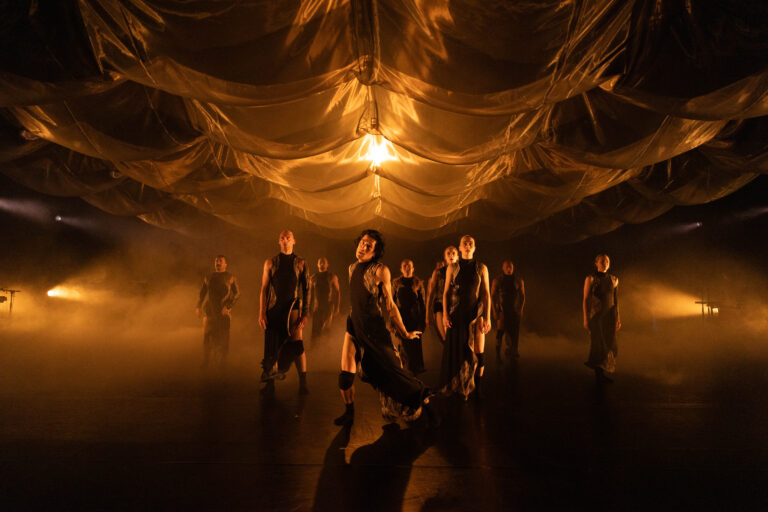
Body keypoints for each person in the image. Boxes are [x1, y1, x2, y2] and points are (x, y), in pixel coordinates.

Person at [334, 229, 433, 427]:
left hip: (374, 331)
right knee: (345, 378)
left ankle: (426, 402)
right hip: (354, 326)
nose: (363, 247)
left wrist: (405, 333)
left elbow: (391, 305)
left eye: (369, 246)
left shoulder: (380, 271)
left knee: (394, 374)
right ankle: (349, 414)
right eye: (362, 242)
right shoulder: (352, 268)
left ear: (375, 252)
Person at [259, 230, 311, 395]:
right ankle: (270, 385)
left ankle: (303, 383)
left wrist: (305, 313)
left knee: (297, 345)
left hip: (293, 308)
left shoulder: (301, 263)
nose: (285, 240)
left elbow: (307, 290)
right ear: (279, 241)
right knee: (271, 346)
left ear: (294, 241)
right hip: (274, 309)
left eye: (288, 238)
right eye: (282, 238)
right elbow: (264, 289)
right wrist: (262, 312)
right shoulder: (270, 262)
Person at [441, 236, 491, 399]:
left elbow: (486, 294)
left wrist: (488, 317)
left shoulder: (481, 268)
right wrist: (445, 314)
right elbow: (446, 293)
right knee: (460, 352)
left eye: (471, 244)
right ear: (460, 248)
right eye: (465, 243)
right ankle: (461, 386)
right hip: (457, 315)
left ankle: (478, 386)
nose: (468, 246)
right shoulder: (452, 267)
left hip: (476, 314)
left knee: (478, 351)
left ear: (474, 248)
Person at [582, 254, 621, 384]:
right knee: (599, 345)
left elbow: (616, 301)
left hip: (610, 316)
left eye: (607, 261)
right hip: (597, 316)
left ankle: (602, 373)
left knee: (610, 345)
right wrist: (586, 318)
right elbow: (586, 299)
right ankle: (599, 375)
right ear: (596, 263)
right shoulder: (591, 279)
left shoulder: (614, 280)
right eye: (602, 261)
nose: (605, 263)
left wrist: (618, 318)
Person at [196, 255, 240, 367]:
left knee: (224, 337)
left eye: (220, 261)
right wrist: (198, 306)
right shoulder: (208, 277)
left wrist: (228, 306)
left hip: (223, 312)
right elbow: (202, 293)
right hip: (210, 311)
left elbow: (237, 294)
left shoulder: (230, 277)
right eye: (216, 261)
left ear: (225, 264)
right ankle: (206, 361)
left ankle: (223, 362)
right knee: (207, 336)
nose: (218, 263)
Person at [392, 259, 426, 374]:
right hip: (401, 318)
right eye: (404, 266)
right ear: (401, 269)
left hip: (414, 318)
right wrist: (392, 321)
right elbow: (391, 302)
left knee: (415, 347)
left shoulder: (418, 283)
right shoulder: (396, 283)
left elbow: (422, 303)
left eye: (409, 266)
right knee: (403, 346)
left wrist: (423, 321)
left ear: (413, 268)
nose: (407, 268)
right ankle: (403, 371)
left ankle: (415, 373)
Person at [490, 260, 525, 359]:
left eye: (510, 267)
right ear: (503, 268)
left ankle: (513, 350)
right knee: (500, 332)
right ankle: (498, 355)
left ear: (513, 268)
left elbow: (522, 296)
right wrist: (494, 311)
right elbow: (493, 296)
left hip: (513, 309)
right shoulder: (497, 280)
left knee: (514, 331)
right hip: (502, 310)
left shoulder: (518, 280)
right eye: (507, 267)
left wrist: (520, 309)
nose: (509, 269)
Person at [426, 246, 458, 342]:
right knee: (446, 338)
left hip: (456, 306)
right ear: (445, 257)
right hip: (440, 305)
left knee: (454, 338)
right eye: (448, 253)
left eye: (453, 253)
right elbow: (431, 293)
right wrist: (428, 314)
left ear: (457, 256)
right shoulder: (438, 272)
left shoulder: (461, 271)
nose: (451, 255)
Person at [310, 257, 340, 341]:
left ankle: (326, 348)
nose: (322, 264)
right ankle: (315, 348)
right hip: (317, 308)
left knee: (326, 331)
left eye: (324, 262)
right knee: (315, 333)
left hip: (328, 308)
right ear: (317, 265)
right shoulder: (313, 278)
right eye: (320, 262)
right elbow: (310, 295)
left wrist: (337, 307)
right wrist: (309, 308)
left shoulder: (332, 277)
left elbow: (337, 292)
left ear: (327, 265)